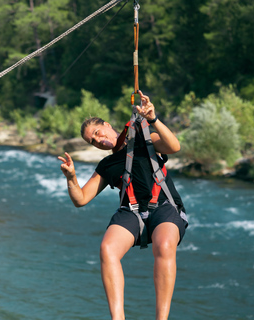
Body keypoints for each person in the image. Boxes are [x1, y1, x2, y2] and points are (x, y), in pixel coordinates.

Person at [58, 90, 188, 320]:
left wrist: (153, 119)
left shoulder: (143, 138)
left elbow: (174, 146)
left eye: (97, 133)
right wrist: (71, 177)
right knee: (107, 249)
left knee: (165, 244)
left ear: (107, 125)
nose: (98, 140)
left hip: (165, 206)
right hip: (132, 212)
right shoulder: (107, 165)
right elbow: (80, 199)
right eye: (92, 141)